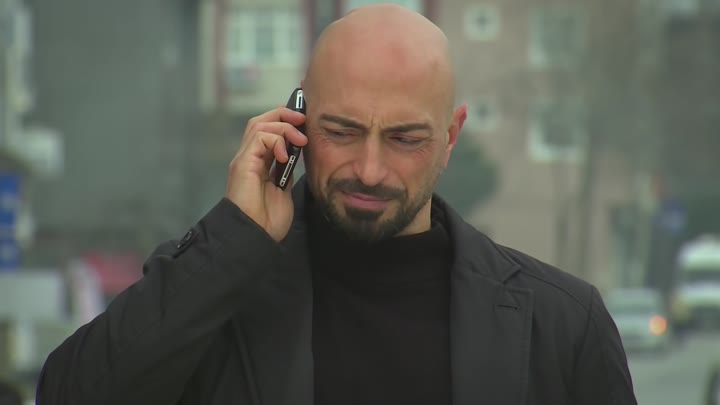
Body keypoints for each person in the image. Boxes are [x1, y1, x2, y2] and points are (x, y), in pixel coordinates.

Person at [36, 4, 637, 405]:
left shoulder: (562, 323)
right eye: (341, 131)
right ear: (295, 119)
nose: (370, 170)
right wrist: (235, 236)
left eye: (405, 139)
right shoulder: (217, 290)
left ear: (450, 137)